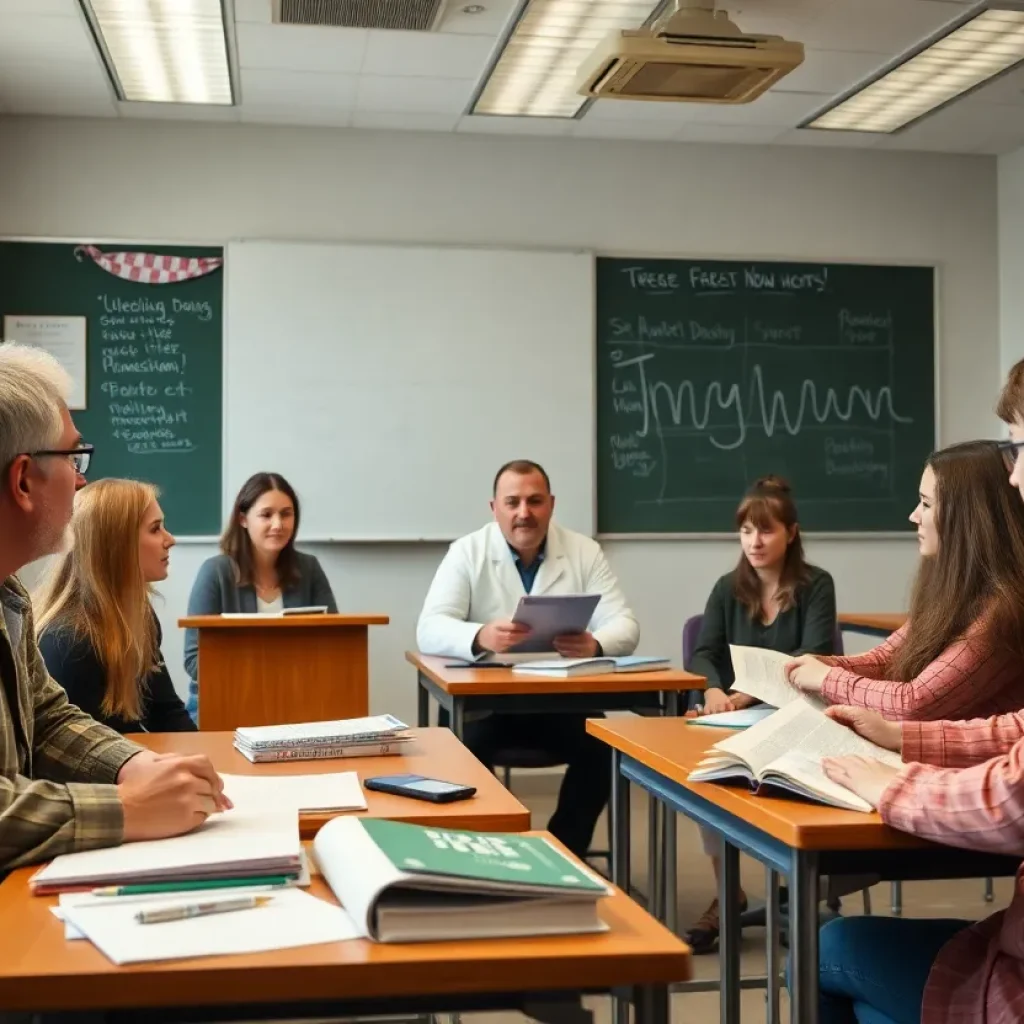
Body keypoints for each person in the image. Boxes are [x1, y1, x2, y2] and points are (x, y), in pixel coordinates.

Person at [810, 363, 1024, 1024]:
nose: (1014, 475)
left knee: (832, 950)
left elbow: (1011, 792)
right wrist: (900, 736)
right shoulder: (955, 595)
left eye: (1020, 444)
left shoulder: (1000, 612)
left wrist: (889, 782)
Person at [0, 343, 228, 871]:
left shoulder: (11, 598)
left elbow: (49, 718)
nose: (82, 480)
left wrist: (135, 764)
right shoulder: (64, 633)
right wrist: (127, 807)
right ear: (23, 480)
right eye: (73, 458)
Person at [416, 459, 639, 858]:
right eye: (513, 502)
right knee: (458, 752)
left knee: (605, 750)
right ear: (494, 508)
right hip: (482, 707)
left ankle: (561, 853)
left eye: (535, 501)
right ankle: (487, 855)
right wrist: (479, 635)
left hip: (560, 704)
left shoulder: (584, 551)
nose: (524, 513)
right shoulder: (467, 551)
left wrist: (597, 645)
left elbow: (625, 625)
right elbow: (429, 628)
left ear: (551, 504)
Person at [683, 475, 838, 954]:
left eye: (766, 531)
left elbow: (812, 656)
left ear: (791, 533)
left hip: (797, 714)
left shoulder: (816, 586)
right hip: (732, 714)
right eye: (746, 531)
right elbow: (704, 650)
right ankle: (728, 892)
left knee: (789, 782)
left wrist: (746, 694)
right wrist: (712, 689)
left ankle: (798, 884)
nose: (754, 541)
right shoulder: (727, 588)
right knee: (705, 775)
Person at [785, 440, 1024, 722]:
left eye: (926, 504)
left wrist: (826, 678)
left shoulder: (1003, 610)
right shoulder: (955, 588)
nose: (914, 516)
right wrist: (815, 665)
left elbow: (914, 703)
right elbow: (885, 659)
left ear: (968, 517)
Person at [35, 478, 194, 735]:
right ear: (117, 544)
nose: (170, 539)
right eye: (155, 529)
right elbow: (88, 755)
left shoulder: (139, 615)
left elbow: (166, 712)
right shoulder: (69, 643)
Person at [184, 472, 337, 721]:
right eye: (266, 515)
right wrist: (267, 671)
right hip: (223, 701)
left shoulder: (309, 569)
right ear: (243, 519)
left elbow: (334, 643)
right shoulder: (215, 572)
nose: (278, 524)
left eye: (286, 514)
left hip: (295, 700)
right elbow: (194, 660)